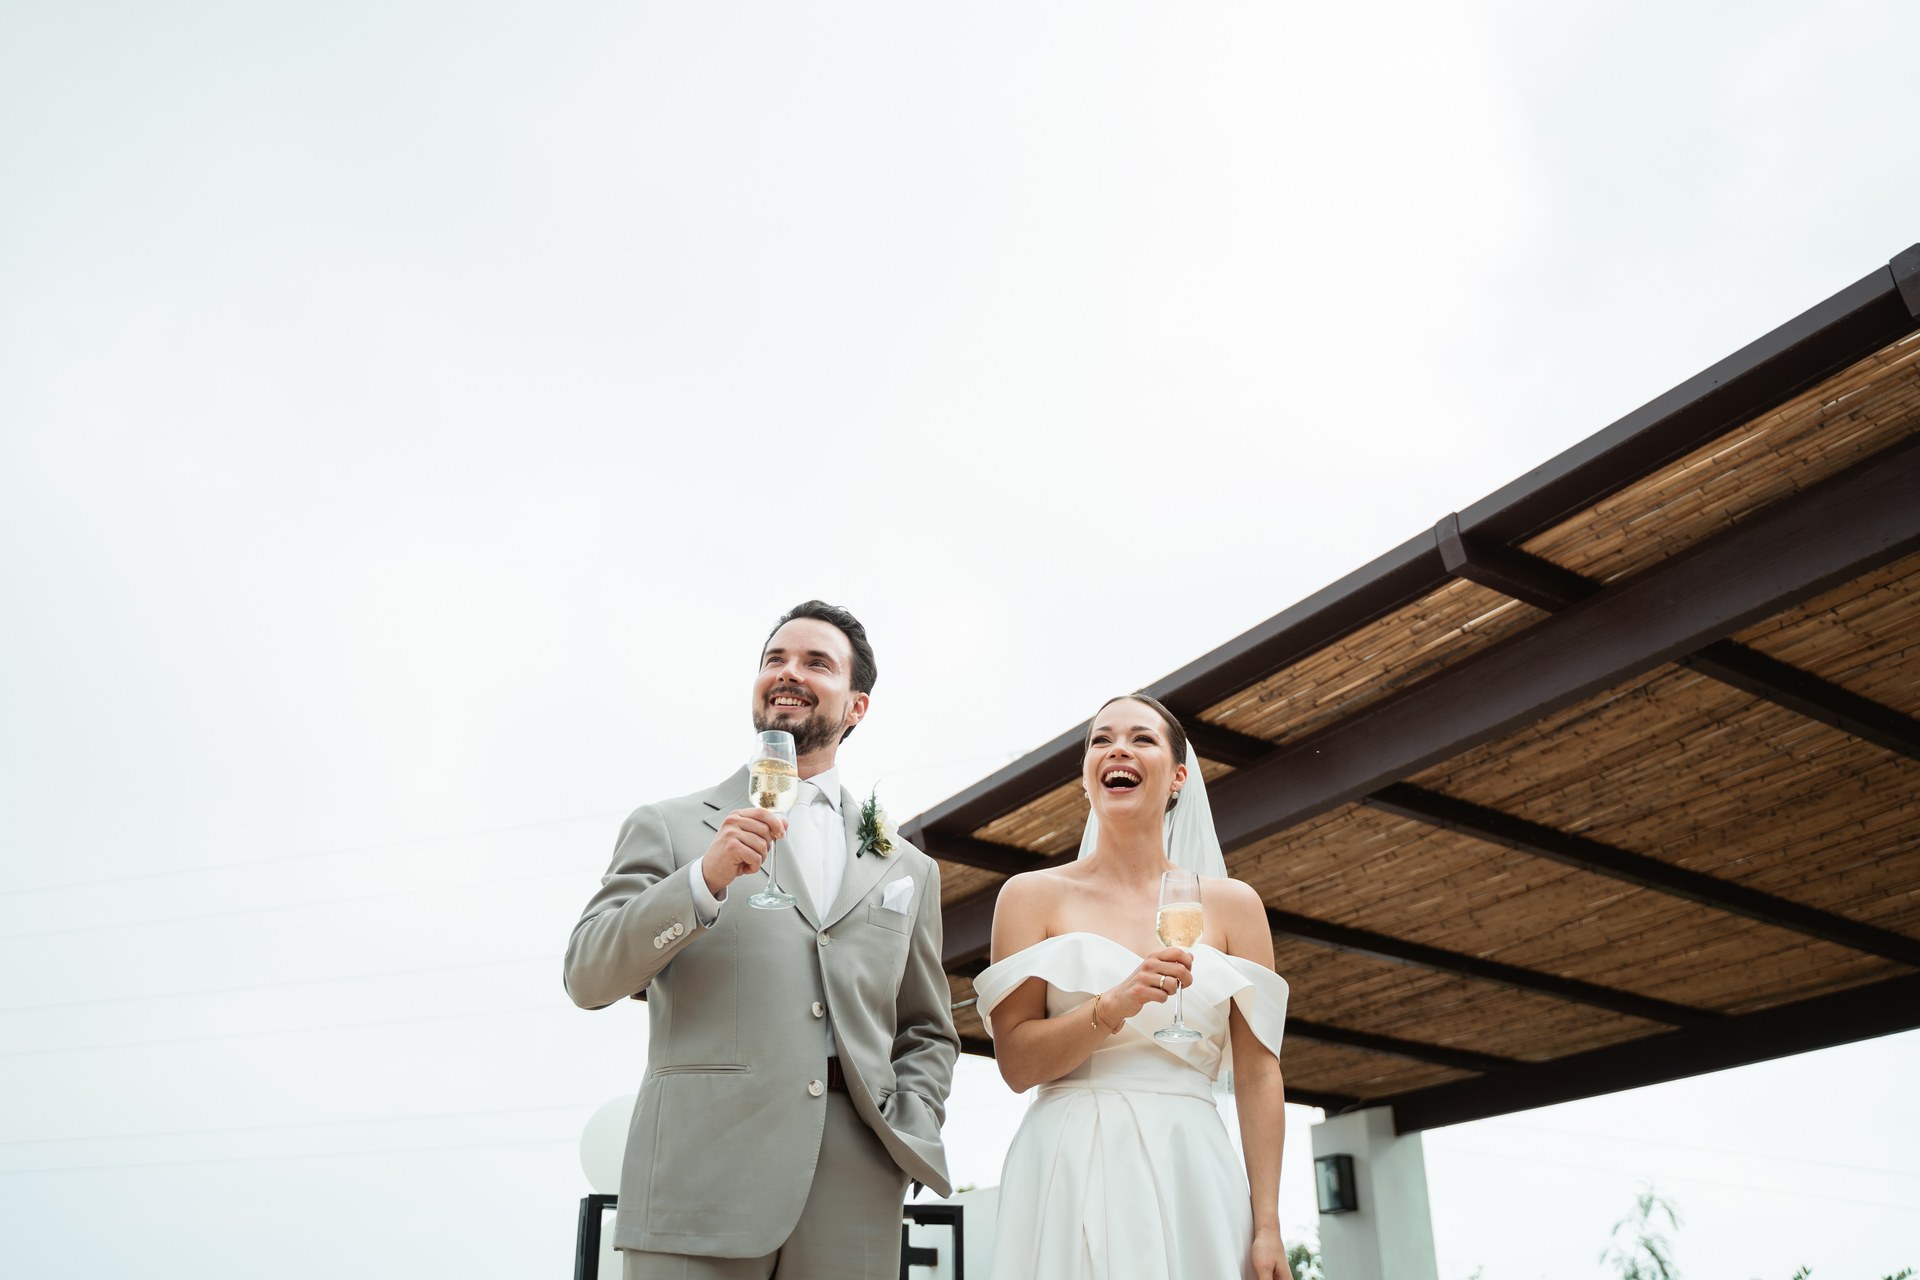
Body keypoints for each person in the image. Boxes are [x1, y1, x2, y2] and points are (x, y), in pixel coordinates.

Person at [563, 601, 958, 1280]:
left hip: (856, 1191)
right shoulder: (671, 826)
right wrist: (701, 882)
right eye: (775, 659)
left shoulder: (905, 865)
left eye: (815, 663)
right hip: (700, 1178)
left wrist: (910, 1130)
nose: (788, 673)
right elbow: (588, 974)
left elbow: (926, 1029)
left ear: (857, 706)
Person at [976, 693, 1293, 1280]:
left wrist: (1268, 1223)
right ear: (1087, 777)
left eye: (1141, 738)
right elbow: (1017, 1065)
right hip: (1067, 1158)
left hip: (1191, 1159)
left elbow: (1256, 1072)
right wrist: (1111, 1007)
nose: (1118, 748)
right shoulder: (1029, 896)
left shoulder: (1234, 906)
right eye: (1102, 740)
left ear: (1178, 777)